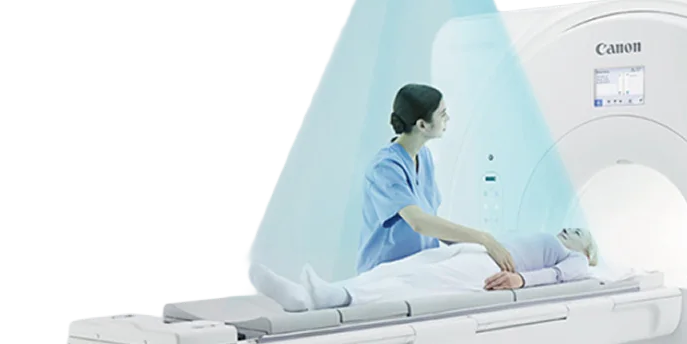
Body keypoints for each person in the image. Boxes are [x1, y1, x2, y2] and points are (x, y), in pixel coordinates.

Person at [358, 84, 516, 275]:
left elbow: (431, 222)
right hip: (385, 274)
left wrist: (481, 246)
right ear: (422, 125)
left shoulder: (423, 156)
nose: (447, 118)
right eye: (442, 114)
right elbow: (418, 221)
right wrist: (483, 238)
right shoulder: (385, 167)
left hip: (419, 267)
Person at [247, 228, 601, 312]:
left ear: (586, 250)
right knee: (391, 269)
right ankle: (310, 295)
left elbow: (569, 275)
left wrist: (521, 279)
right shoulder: (546, 237)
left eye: (577, 232)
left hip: (487, 269)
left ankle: (337, 298)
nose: (567, 230)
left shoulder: (575, 260)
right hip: (471, 252)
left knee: (413, 282)